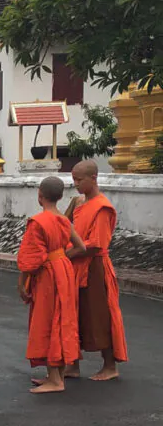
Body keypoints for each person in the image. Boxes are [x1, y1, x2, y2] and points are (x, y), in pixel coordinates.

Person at [17, 177, 84, 394]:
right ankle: (56, 373)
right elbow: (81, 246)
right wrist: (60, 256)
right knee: (62, 318)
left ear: (39, 195)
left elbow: (30, 260)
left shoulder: (38, 222)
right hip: (64, 270)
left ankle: (56, 380)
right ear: (61, 197)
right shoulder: (64, 220)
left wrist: (22, 283)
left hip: (48, 274)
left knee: (46, 321)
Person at [64, 161, 129, 381]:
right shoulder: (80, 203)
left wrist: (66, 255)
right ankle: (72, 365)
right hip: (76, 267)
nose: (76, 184)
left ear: (93, 178)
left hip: (95, 268)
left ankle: (110, 366)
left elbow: (95, 244)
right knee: (72, 314)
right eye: (73, 180)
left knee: (99, 315)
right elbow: (66, 228)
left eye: (79, 180)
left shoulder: (102, 207)